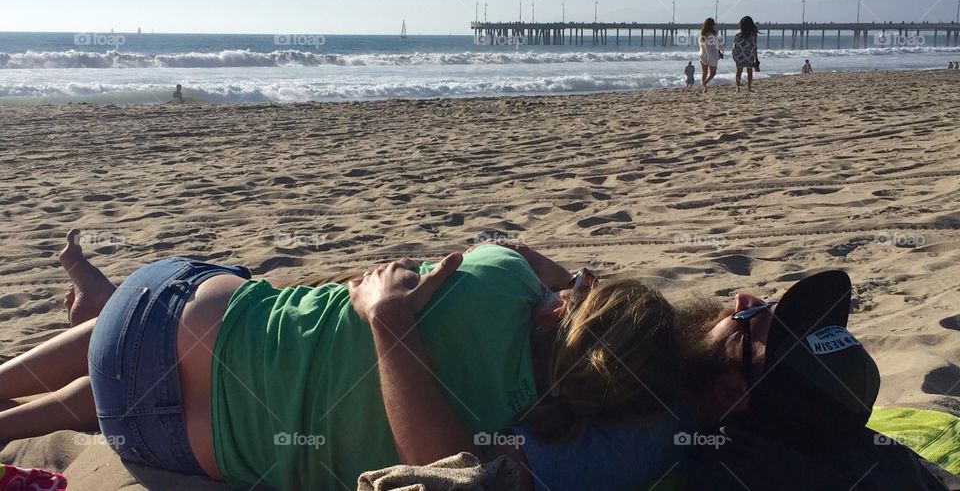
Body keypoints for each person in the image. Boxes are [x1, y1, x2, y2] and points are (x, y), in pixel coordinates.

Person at [0, 231, 685, 490]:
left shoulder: (501, 274)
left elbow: (525, 253)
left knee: (179, 319)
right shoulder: (507, 444)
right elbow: (437, 466)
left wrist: (568, 281)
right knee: (153, 364)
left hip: (155, 317)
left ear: (564, 307)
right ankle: (93, 318)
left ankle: (93, 312)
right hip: (153, 434)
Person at [674, 271, 960, 490]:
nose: (746, 297)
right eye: (749, 315)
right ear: (731, 393)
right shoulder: (889, 459)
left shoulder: (731, 471)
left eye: (746, 315)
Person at [732, 16, 759, 93]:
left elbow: (735, 45)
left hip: (739, 55)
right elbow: (754, 46)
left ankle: (737, 88)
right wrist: (756, 58)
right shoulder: (753, 34)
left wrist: (734, 54)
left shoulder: (738, 33)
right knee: (749, 71)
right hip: (748, 55)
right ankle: (749, 88)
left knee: (738, 71)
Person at [698, 18, 723, 93]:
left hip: (702, 55)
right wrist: (720, 53)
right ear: (712, 25)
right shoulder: (713, 35)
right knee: (713, 73)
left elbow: (701, 45)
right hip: (711, 56)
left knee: (704, 72)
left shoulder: (701, 34)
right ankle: (705, 83)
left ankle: (705, 88)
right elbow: (717, 46)